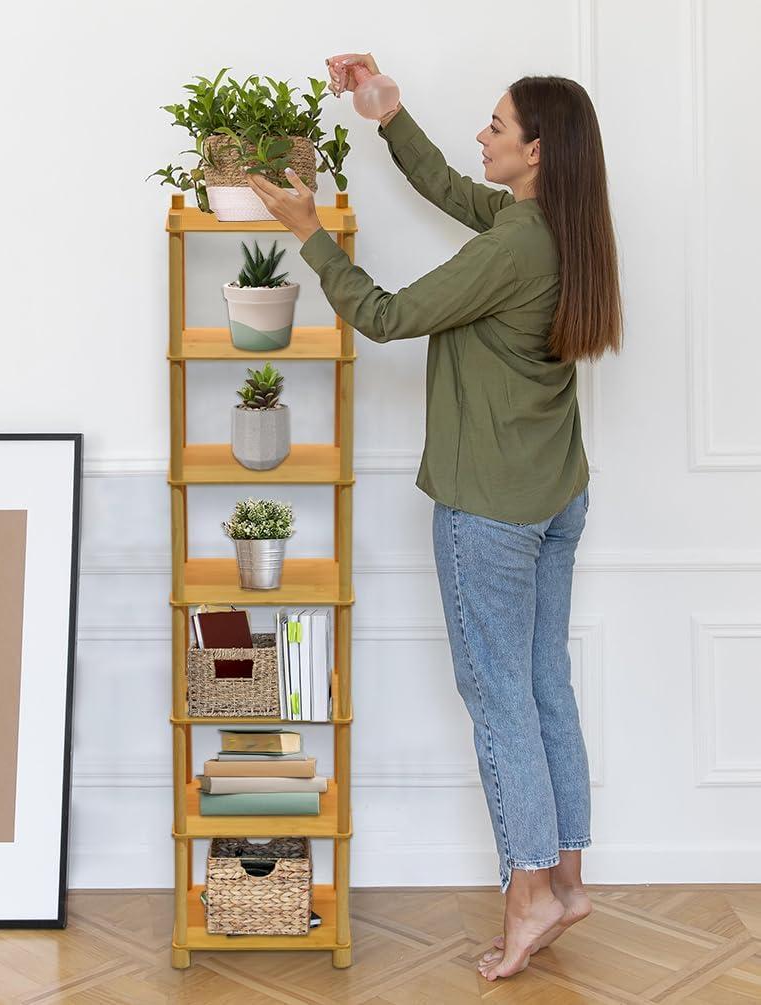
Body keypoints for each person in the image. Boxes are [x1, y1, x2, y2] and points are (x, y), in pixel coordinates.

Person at [246, 53, 623, 982]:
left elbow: (381, 313)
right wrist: (385, 113)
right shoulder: (557, 225)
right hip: (554, 493)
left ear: (536, 152)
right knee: (542, 688)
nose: (482, 137)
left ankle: (529, 891)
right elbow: (454, 189)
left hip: (490, 510)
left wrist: (308, 236)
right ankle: (566, 875)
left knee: (499, 699)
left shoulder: (511, 247)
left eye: (497, 126)